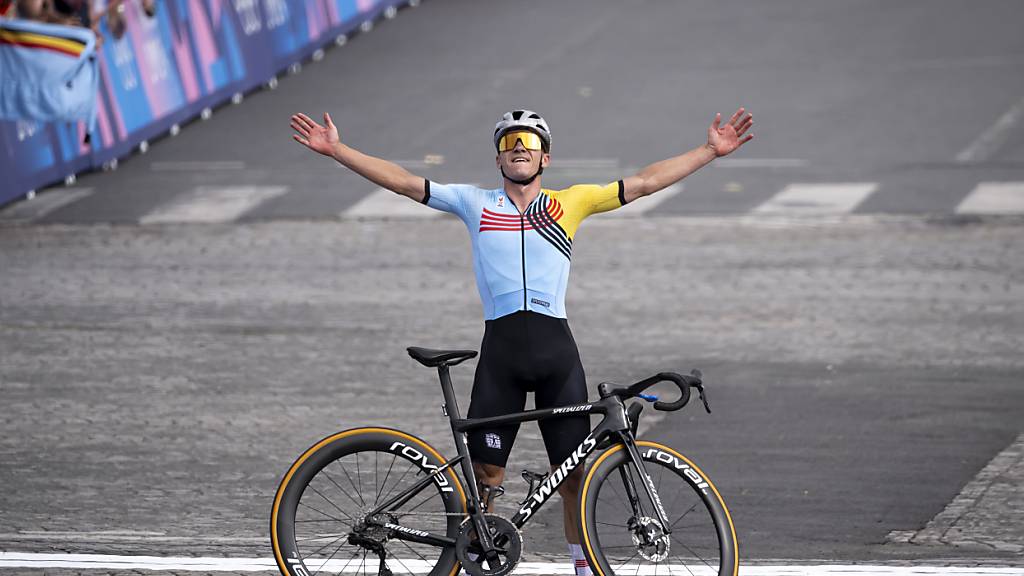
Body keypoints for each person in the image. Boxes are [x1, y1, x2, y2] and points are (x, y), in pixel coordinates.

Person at [289, 107, 753, 576]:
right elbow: (406, 183)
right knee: (486, 477)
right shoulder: (475, 203)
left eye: (529, 143)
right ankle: (480, 559)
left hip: (557, 356)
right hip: (502, 357)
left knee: (574, 478)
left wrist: (709, 151)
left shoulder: (571, 202)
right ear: (498, 159)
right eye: (509, 143)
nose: (518, 149)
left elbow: (646, 182)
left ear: (545, 159)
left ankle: (583, 569)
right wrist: (338, 150)